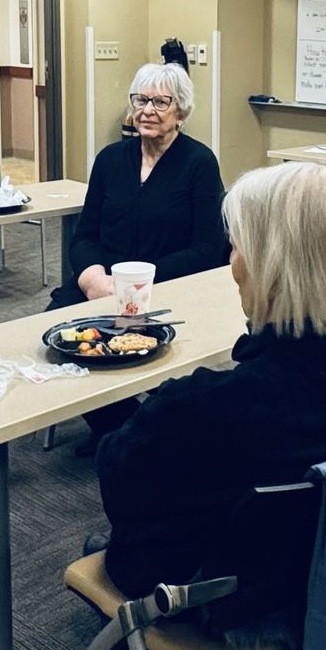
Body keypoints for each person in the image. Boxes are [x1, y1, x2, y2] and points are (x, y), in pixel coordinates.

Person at [95, 162, 326, 606]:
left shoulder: (202, 407)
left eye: (237, 246)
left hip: (220, 599)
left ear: (268, 266)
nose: (231, 262)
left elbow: (121, 488)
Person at [52, 62, 227, 443]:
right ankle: (122, 428)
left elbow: (208, 249)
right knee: (58, 334)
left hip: (166, 288)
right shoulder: (110, 159)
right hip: (102, 286)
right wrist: (93, 278)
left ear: (181, 113)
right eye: (140, 100)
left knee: (130, 341)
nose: (147, 110)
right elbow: (85, 235)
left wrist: (136, 284)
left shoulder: (198, 163)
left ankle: (135, 437)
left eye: (161, 102)